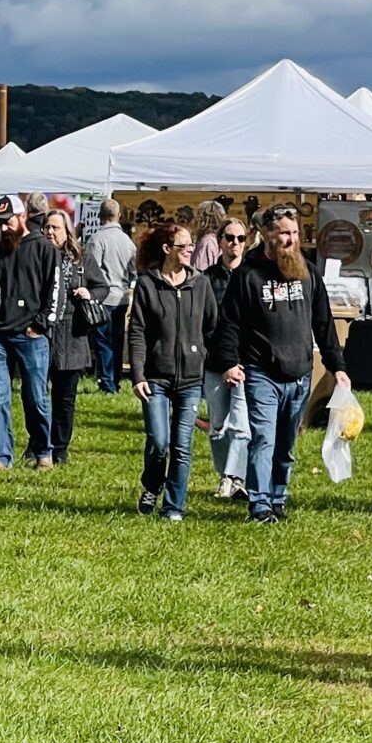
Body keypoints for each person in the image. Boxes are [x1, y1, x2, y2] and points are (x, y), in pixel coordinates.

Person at [212, 204, 349, 525]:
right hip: (261, 373)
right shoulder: (249, 274)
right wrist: (229, 362)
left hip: (299, 374)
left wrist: (336, 365)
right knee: (264, 439)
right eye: (284, 233)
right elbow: (229, 323)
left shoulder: (307, 271)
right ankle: (259, 505)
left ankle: (277, 497)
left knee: (286, 444)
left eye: (295, 233)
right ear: (268, 235)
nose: (291, 239)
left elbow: (324, 322)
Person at [130, 220, 217, 520]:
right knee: (159, 441)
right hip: (155, 377)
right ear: (168, 249)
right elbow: (137, 331)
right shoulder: (147, 285)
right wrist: (137, 375)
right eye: (185, 246)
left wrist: (202, 355)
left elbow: (211, 326)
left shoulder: (200, 284)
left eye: (192, 246)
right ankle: (151, 485)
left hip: (191, 379)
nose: (190, 251)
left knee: (182, 446)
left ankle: (173, 507)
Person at [0, 194, 59, 470]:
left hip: (31, 336)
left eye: (8, 221)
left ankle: (43, 450)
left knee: (36, 397)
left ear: (23, 217)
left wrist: (41, 324)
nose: (4, 228)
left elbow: (55, 292)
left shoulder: (45, 249)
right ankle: (1, 456)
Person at [41, 207, 97, 462]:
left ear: (67, 231)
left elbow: (103, 286)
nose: (50, 232)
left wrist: (89, 294)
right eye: (47, 227)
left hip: (72, 333)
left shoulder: (81, 259)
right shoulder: (38, 254)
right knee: (39, 394)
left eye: (56, 228)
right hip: (44, 331)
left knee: (65, 397)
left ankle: (60, 448)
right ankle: (39, 444)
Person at [203, 213, 252, 499]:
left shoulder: (253, 277)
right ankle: (225, 474)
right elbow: (205, 325)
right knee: (219, 426)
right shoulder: (207, 280)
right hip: (215, 364)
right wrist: (223, 363)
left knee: (242, 425)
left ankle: (235, 477)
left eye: (241, 239)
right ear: (219, 242)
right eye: (230, 238)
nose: (235, 243)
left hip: (247, 363)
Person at [85, 198, 137, 392]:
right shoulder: (128, 242)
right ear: (119, 216)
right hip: (122, 297)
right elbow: (134, 273)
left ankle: (107, 383)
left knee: (103, 342)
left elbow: (92, 271)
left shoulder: (96, 240)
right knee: (116, 341)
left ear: (100, 216)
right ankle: (114, 380)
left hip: (103, 298)